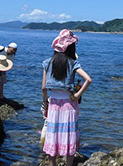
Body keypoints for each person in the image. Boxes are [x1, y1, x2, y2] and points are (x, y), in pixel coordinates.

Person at [42, 29, 91, 166]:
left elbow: (44, 88)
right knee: (69, 136)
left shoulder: (47, 63)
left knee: (53, 135)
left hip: (54, 104)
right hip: (69, 104)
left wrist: (45, 105)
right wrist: (76, 95)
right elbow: (88, 80)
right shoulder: (73, 63)